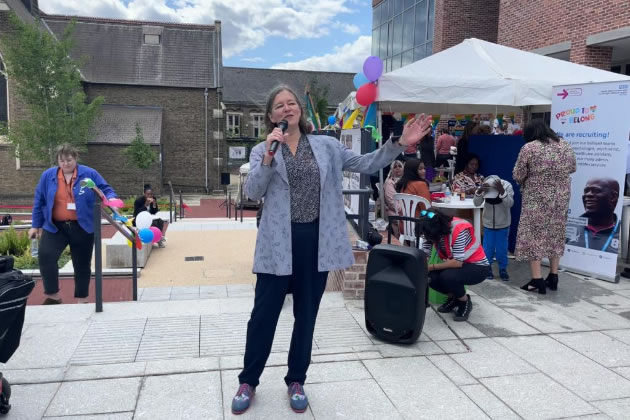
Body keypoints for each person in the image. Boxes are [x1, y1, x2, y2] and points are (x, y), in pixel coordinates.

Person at [232, 85, 432, 415]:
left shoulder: (326, 146)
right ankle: (248, 381)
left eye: (291, 103)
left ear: (299, 111)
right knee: (262, 317)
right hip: (277, 243)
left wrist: (398, 144)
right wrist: (269, 154)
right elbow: (254, 191)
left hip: (316, 241)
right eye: (279, 106)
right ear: (271, 116)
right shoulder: (261, 150)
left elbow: (367, 163)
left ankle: (296, 379)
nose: (287, 109)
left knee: (306, 316)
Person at [28, 144, 118, 305]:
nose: (66, 163)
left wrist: (111, 199)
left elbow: (106, 189)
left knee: (82, 263)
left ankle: (82, 298)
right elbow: (39, 200)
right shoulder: (48, 176)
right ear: (58, 161)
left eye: (69, 160)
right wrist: (35, 225)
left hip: (82, 226)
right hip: (55, 227)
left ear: (75, 159)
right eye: (62, 160)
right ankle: (53, 295)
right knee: (46, 256)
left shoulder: (89, 174)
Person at [513, 119, 576, 294]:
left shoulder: (530, 148)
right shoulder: (564, 145)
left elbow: (518, 174)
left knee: (534, 236)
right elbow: (573, 168)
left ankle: (536, 279)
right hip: (560, 199)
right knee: (555, 234)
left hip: (537, 200)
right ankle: (553, 276)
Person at [418, 209, 489, 321]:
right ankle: (454, 299)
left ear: (437, 228)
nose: (427, 238)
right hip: (457, 265)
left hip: (478, 266)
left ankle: (464, 302)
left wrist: (431, 267)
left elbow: (457, 262)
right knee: (430, 277)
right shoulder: (431, 231)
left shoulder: (459, 229)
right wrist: (423, 267)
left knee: (447, 276)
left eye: (428, 235)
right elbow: (425, 253)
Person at [473, 175, 514, 280]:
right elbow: (476, 203)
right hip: (488, 223)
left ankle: (503, 269)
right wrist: (480, 191)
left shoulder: (507, 185)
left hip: (503, 224)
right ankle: (488, 268)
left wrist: (502, 191)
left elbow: (510, 204)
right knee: (487, 248)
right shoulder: (484, 186)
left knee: (502, 249)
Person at [565, 178, 620, 253]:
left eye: (596, 191)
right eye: (586, 191)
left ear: (613, 197)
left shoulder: (622, 233)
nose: (588, 194)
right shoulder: (569, 226)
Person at [133, 184, 166, 248]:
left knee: (160, 221)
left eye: (151, 194)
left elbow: (154, 212)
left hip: (149, 217)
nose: (150, 196)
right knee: (154, 223)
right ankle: (157, 240)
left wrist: (154, 205)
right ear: (144, 194)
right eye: (148, 194)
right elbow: (136, 213)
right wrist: (145, 205)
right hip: (140, 219)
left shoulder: (153, 199)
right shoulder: (138, 201)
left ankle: (158, 238)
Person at [384, 160, 404, 237]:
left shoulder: (405, 181)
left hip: (402, 210)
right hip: (394, 210)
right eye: (395, 167)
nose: (397, 168)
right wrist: (403, 210)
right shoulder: (390, 183)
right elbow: (392, 203)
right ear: (392, 170)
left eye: (399, 166)